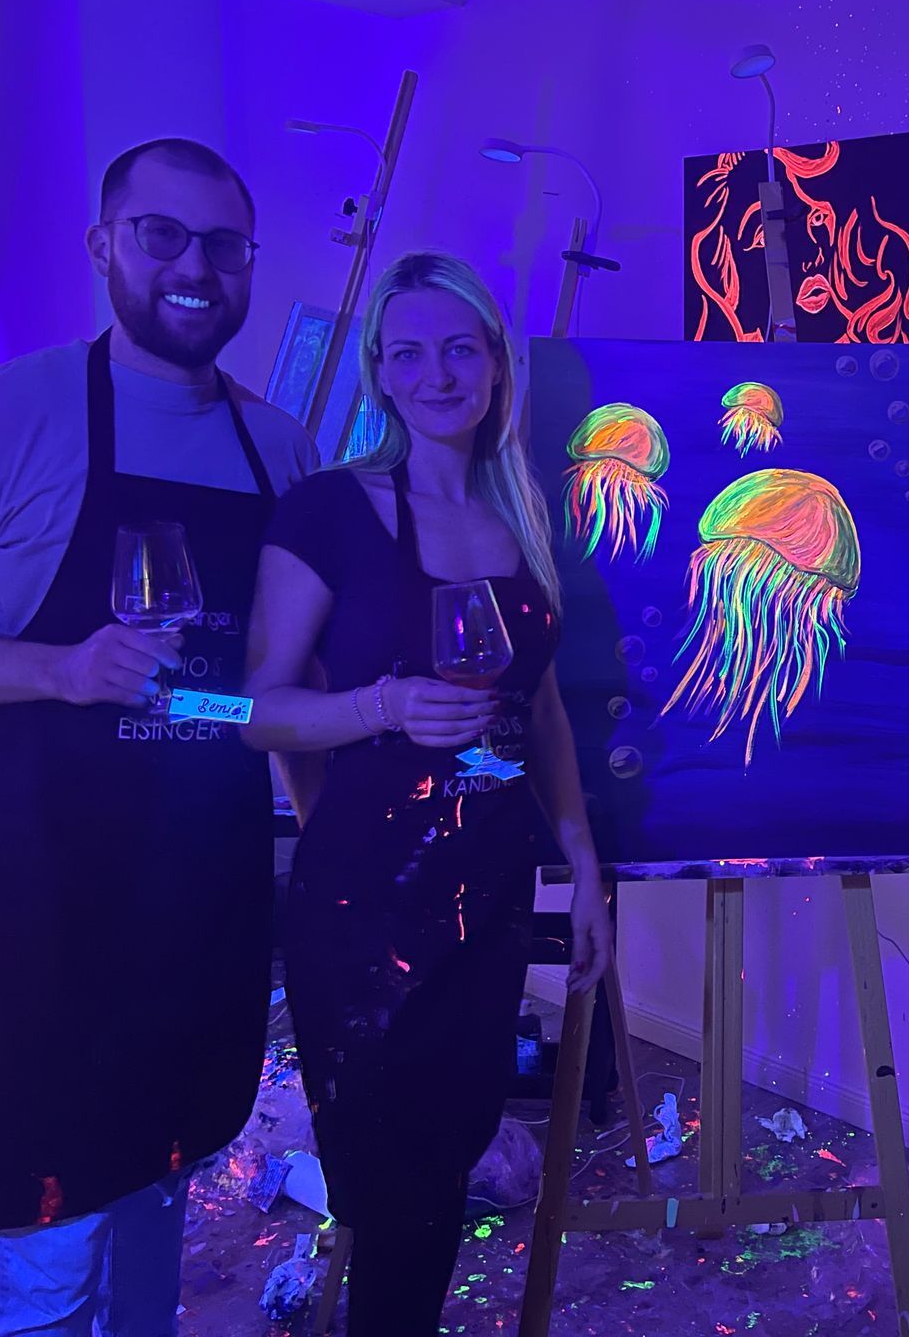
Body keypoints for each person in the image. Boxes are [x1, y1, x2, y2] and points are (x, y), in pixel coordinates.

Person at [0, 137, 316, 1335]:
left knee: (161, 1187)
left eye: (224, 245)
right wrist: (56, 670)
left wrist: (330, 845)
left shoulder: (281, 449)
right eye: (163, 235)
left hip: (202, 896)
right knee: (49, 1242)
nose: (195, 267)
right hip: (45, 902)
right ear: (105, 245)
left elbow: (278, 687)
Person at [242, 250, 613, 1333]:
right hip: (364, 901)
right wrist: (384, 704)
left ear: (496, 364)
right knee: (387, 1187)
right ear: (380, 373)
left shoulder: (522, 514)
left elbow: (542, 713)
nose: (436, 374)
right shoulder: (328, 510)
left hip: (488, 898)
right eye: (407, 354)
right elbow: (256, 708)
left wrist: (581, 861)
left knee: (447, 1164)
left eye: (458, 349)